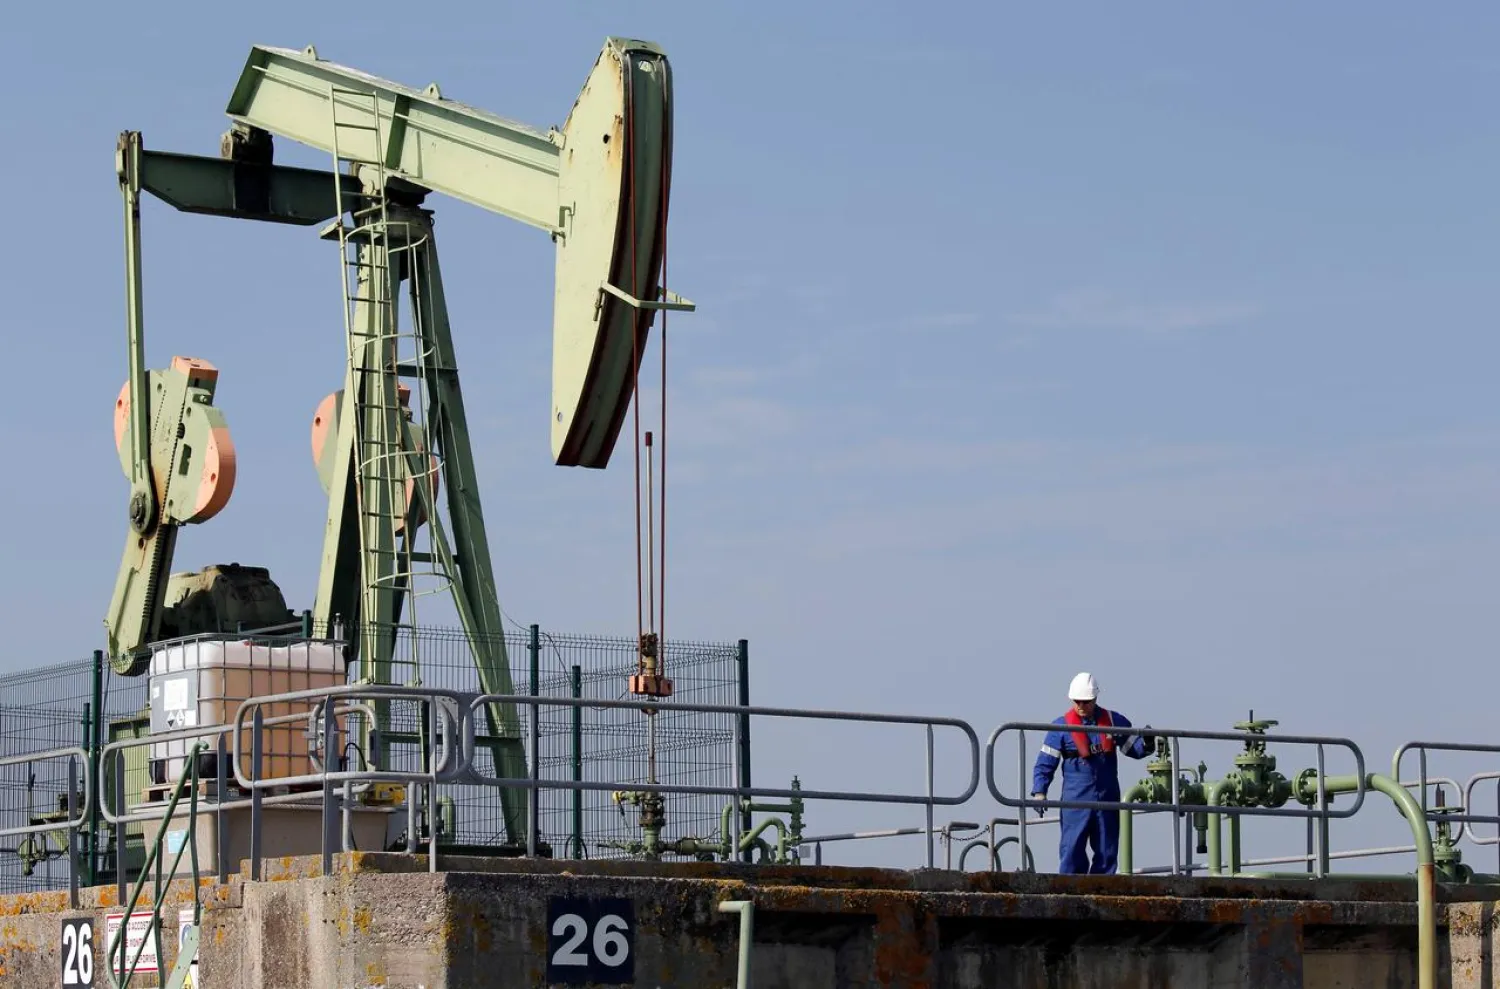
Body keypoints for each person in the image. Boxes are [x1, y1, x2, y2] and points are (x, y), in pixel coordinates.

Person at [1029, 672, 1154, 875]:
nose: (1081, 706)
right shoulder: (1060, 727)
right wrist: (1039, 791)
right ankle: (1069, 893)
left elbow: (1134, 749)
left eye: (1086, 702)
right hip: (1075, 799)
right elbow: (1045, 763)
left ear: (1095, 699)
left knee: (1107, 850)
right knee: (1072, 850)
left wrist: (1147, 742)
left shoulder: (1113, 721)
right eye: (1077, 701)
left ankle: (1103, 893)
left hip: (1107, 797)